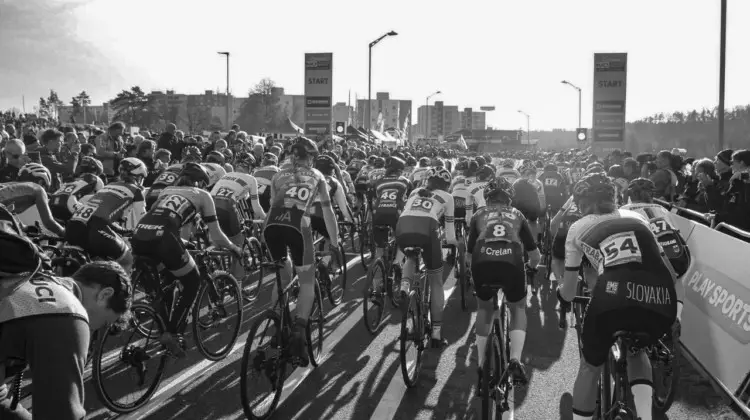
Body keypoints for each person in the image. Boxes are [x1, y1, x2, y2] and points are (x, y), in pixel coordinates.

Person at [557, 173, 677, 420]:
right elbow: (671, 274)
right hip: (661, 297)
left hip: (612, 298)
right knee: (638, 349)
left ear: (581, 203)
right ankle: (645, 415)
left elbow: (569, 292)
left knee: (590, 367)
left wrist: (560, 293)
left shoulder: (578, 227)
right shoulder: (637, 217)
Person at [0, 228, 132, 420]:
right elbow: (61, 414)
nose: (94, 332)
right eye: (103, 323)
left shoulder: (40, 280)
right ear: (104, 295)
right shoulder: (67, 312)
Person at [131, 162, 242, 357]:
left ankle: (163, 325)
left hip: (140, 235)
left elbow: (159, 219)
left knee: (167, 280)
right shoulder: (202, 195)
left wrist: (183, 242)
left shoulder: (167, 190)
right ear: (201, 182)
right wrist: (233, 247)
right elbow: (215, 235)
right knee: (192, 281)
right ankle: (172, 334)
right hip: (164, 238)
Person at [263, 137, 339, 367]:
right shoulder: (318, 176)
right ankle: (298, 333)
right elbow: (328, 213)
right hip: (299, 226)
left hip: (272, 227)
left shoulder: (277, 175)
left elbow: (271, 210)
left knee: (283, 273)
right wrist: (334, 243)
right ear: (312, 157)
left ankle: (279, 325)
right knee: (306, 281)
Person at [467, 177, 540, 388]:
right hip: (512, 261)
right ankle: (515, 359)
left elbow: (468, 254)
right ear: (509, 199)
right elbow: (535, 255)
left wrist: (473, 276)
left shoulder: (478, 214)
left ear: (487, 198)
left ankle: (481, 363)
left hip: (482, 260)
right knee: (517, 308)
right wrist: (532, 268)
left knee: (484, 309)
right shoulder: (517, 214)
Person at [395, 166, 458, 348]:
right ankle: (436, 334)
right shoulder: (447, 197)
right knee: (436, 282)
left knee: (411, 256)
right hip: (428, 229)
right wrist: (455, 244)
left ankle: (404, 287)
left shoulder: (416, 191)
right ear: (447, 184)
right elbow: (450, 233)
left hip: (403, 225)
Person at [64, 158, 148, 273]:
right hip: (95, 228)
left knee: (94, 263)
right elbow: (142, 220)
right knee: (127, 261)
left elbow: (100, 215)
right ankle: (123, 290)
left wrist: (122, 230)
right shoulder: (136, 190)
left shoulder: (109, 185)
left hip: (73, 225)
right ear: (138, 177)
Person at [210, 161, 267, 298]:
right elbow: (256, 208)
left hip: (211, 205)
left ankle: (214, 275)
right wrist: (265, 219)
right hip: (228, 207)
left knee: (217, 242)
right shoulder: (251, 179)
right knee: (238, 246)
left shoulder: (227, 175)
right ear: (250, 169)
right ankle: (238, 289)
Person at [0, 163, 66, 237]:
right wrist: (65, 233)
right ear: (41, 182)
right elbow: (48, 222)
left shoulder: (11, 186)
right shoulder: (38, 189)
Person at [370, 156, 411, 270]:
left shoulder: (379, 182)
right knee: (403, 240)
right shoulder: (404, 181)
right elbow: (411, 198)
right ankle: (397, 262)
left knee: (379, 250)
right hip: (396, 214)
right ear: (399, 170)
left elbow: (375, 197)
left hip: (378, 215)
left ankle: (375, 285)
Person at [48, 156, 105, 222]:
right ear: (96, 171)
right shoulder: (96, 178)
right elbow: (102, 198)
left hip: (52, 202)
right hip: (70, 202)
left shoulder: (73, 178)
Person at [145, 145, 202, 210]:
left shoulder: (170, 167)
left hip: (149, 198)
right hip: (165, 201)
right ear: (196, 159)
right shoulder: (191, 169)